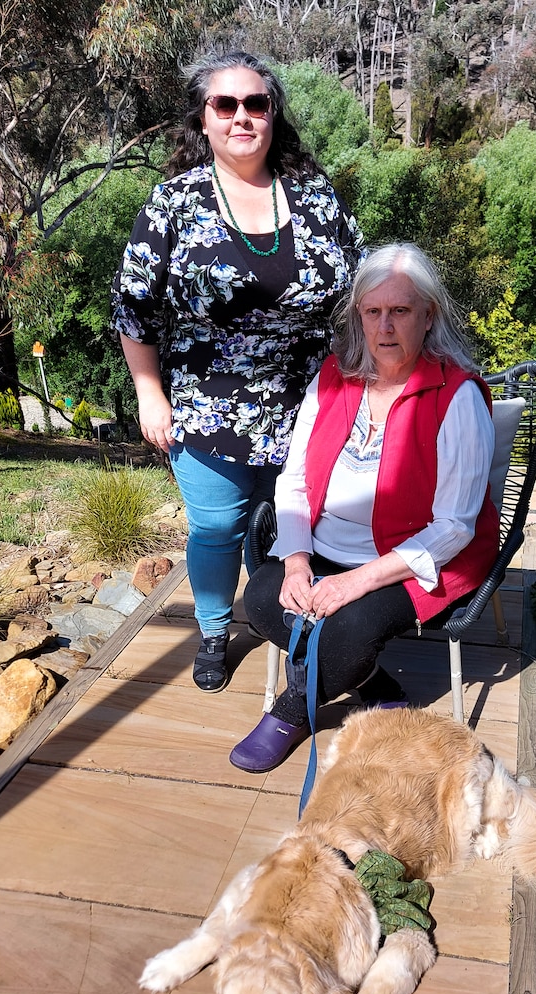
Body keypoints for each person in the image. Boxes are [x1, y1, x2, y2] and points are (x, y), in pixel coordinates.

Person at [111, 50, 364, 692]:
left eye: (256, 104)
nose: (242, 117)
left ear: (274, 114)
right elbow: (133, 304)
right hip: (206, 403)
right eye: (226, 105)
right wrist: (149, 393)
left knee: (304, 523)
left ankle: (305, 630)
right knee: (220, 526)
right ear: (203, 118)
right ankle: (216, 629)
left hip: (312, 401)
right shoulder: (174, 202)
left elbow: (362, 287)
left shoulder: (314, 195)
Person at [229, 242, 500, 773]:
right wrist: (299, 562)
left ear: (429, 316)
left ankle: (293, 711)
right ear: (359, 317)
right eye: (372, 312)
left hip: (412, 562)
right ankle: (374, 682)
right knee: (263, 600)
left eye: (400, 311)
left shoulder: (457, 395)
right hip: (327, 547)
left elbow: (454, 527)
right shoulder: (334, 377)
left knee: (349, 630)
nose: (385, 326)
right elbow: (296, 479)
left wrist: (355, 583)